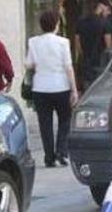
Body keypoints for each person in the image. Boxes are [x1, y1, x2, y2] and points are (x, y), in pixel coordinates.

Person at [25, 11, 79, 168]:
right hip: (61, 85)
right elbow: (69, 67)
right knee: (65, 120)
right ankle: (61, 152)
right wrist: (74, 89)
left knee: (45, 123)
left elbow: (28, 64)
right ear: (56, 24)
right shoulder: (63, 42)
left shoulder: (33, 42)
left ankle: (49, 156)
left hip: (40, 87)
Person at [76, 0, 112, 87]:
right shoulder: (105, 23)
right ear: (101, 7)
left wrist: (84, 57)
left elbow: (78, 45)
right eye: (108, 9)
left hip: (86, 64)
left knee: (87, 91)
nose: (109, 13)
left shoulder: (81, 21)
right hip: (100, 64)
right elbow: (109, 46)